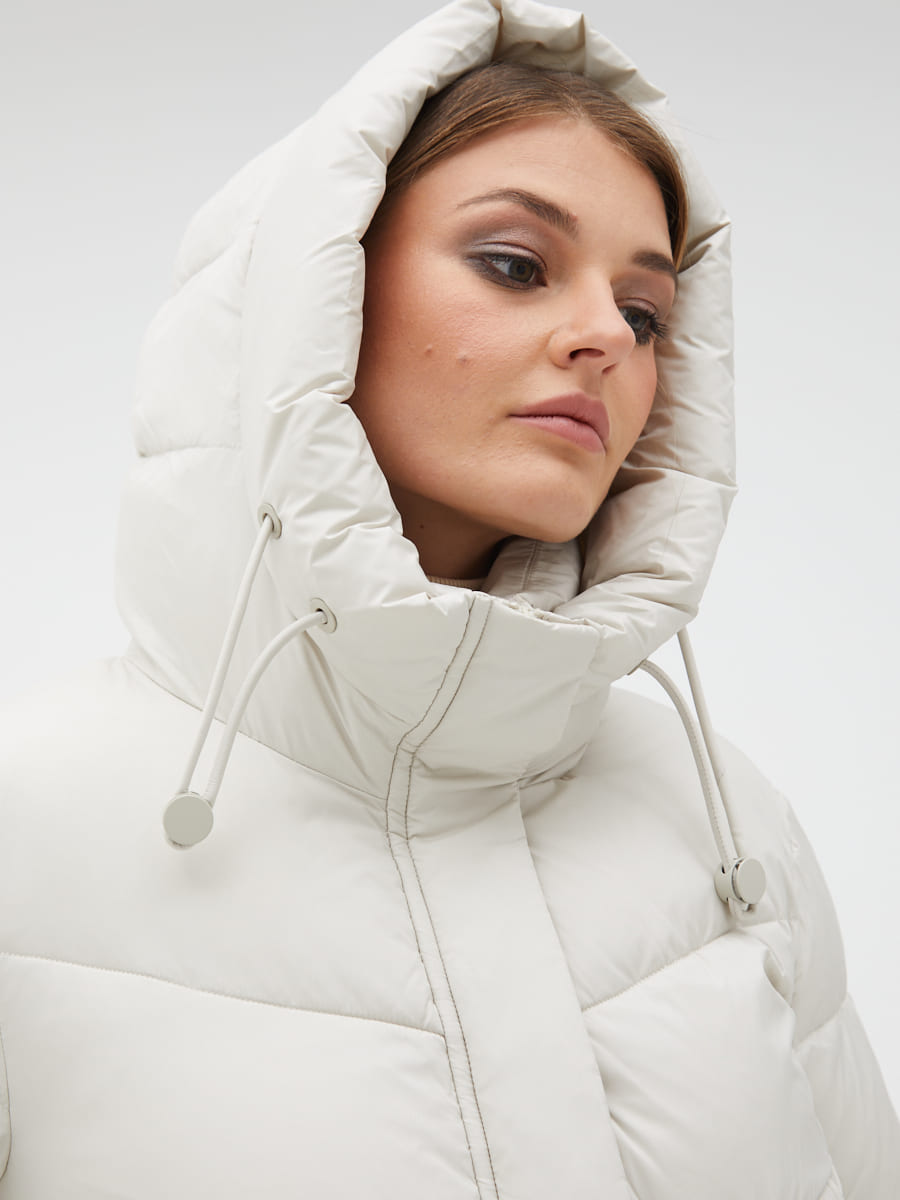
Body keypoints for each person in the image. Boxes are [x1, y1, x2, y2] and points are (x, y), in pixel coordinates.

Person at [0, 0, 897, 1195]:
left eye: (646, 313)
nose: (606, 336)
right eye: (515, 264)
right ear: (309, 297)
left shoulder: (725, 818)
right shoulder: (24, 825)